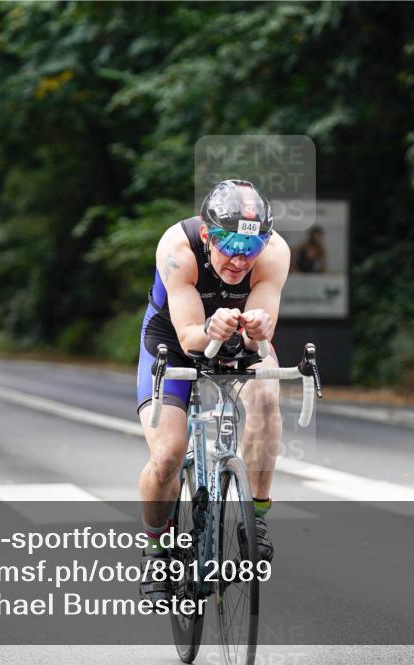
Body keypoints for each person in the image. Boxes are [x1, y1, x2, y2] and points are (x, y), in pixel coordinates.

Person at [136, 179, 290, 600]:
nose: (240, 260)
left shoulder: (274, 251)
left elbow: (265, 327)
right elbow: (188, 337)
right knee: (167, 453)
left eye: (250, 249)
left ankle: (253, 520)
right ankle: (156, 547)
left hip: (238, 334)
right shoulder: (177, 247)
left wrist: (258, 329)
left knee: (265, 395)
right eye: (228, 247)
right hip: (175, 338)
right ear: (207, 234)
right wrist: (209, 327)